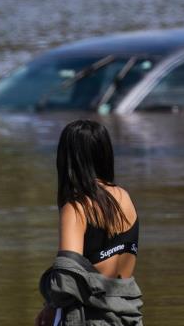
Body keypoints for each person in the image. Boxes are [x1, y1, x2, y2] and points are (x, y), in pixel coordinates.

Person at [36, 120, 143, 326]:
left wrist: (51, 306)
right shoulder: (124, 197)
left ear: (67, 159)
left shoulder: (76, 206)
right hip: (127, 312)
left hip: (91, 315)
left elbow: (66, 276)